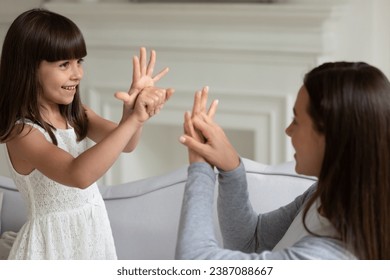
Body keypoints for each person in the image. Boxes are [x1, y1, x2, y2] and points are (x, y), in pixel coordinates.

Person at [0, 8, 174, 259]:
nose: (77, 73)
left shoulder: (76, 114)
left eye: (79, 61)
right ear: (28, 68)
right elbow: (78, 174)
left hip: (91, 234)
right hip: (51, 248)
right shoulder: (23, 132)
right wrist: (133, 119)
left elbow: (126, 143)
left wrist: (134, 112)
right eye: (64, 64)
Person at [176, 62, 390, 260]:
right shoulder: (325, 196)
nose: (288, 130)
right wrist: (231, 168)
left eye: (296, 120)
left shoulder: (324, 259)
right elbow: (252, 241)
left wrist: (200, 166)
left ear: (331, 137)